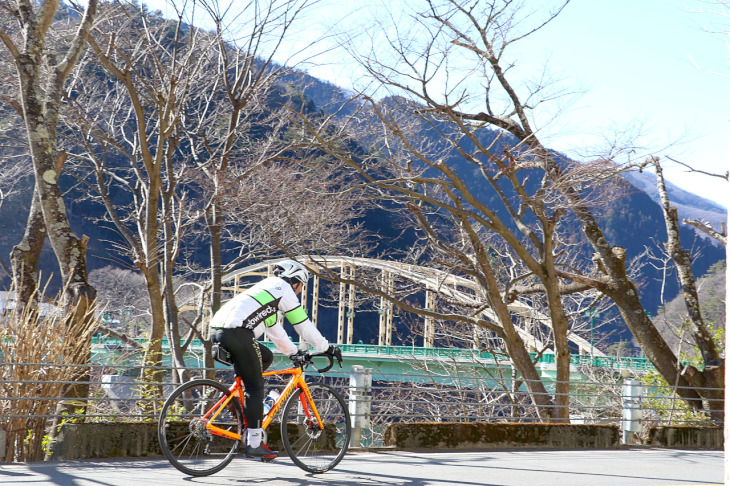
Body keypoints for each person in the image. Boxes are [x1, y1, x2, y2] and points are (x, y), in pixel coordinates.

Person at [209, 259, 341, 460]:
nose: (299, 291)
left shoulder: (267, 289)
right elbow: (302, 325)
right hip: (238, 332)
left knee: (266, 357)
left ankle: (236, 399)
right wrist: (327, 347)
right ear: (295, 281)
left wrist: (293, 353)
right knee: (255, 387)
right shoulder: (284, 289)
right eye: (301, 287)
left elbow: (275, 331)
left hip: (218, 331)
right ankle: (254, 442)